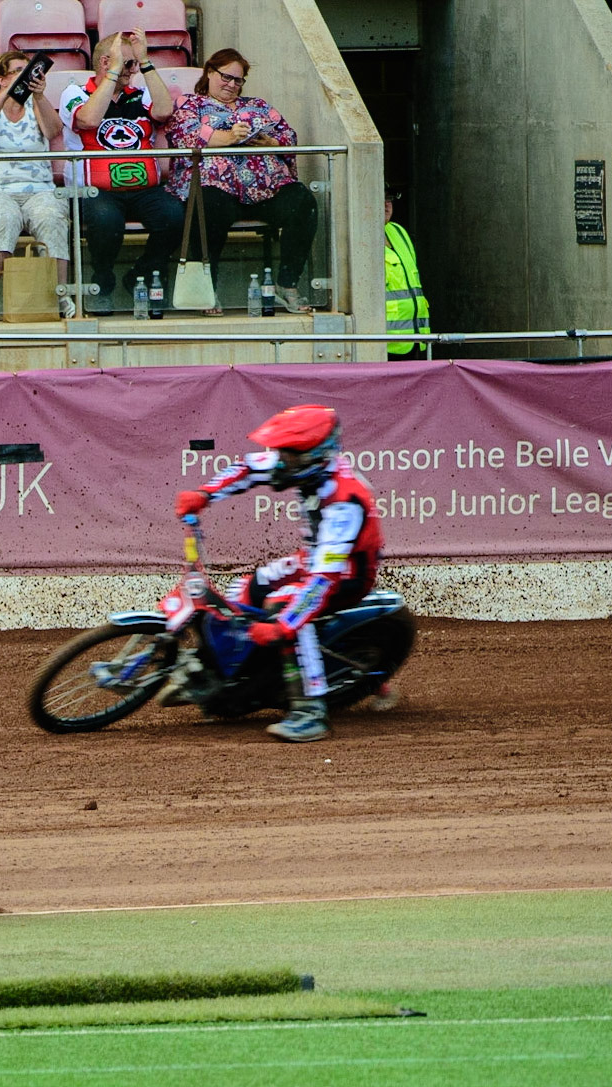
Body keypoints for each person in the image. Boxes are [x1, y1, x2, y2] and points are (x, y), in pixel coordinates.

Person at [171, 405, 385, 742]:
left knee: (283, 609)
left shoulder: (344, 503)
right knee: (251, 588)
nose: (279, 459)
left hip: (345, 574)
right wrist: (204, 494)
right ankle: (231, 675)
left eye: (289, 453)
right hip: (312, 559)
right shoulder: (307, 464)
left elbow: (322, 583)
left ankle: (310, 710)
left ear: (316, 455)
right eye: (280, 450)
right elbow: (248, 469)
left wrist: (283, 626)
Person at [164, 48, 317, 314]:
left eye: (238, 80)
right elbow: (187, 135)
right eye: (226, 77)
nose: (232, 84)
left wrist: (269, 142)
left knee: (303, 202)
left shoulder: (257, 105)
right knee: (208, 203)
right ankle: (207, 291)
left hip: (265, 189)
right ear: (210, 72)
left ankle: (287, 284)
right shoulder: (190, 104)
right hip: (218, 187)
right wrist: (230, 136)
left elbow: (288, 137)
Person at [59, 29, 183, 316]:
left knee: (174, 216)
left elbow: (165, 111)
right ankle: (102, 284)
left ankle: (142, 273)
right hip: (94, 189)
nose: (133, 70)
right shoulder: (75, 92)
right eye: (128, 63)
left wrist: (146, 61)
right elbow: (88, 119)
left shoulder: (140, 93)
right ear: (106, 62)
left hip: (144, 187)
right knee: (106, 220)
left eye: (134, 63)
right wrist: (115, 74)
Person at [0, 50, 73, 324]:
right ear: (2, 78)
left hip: (36, 190)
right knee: (4, 214)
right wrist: (5, 96)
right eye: (19, 69)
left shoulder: (36, 102)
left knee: (51, 216)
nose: (26, 74)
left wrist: (40, 96)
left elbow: (53, 132)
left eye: (29, 69)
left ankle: (61, 294)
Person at [384, 189, 430, 360]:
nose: (386, 204)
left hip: (418, 338)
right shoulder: (360, 236)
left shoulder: (398, 231)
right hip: (386, 343)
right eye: (379, 198)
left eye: (388, 198)